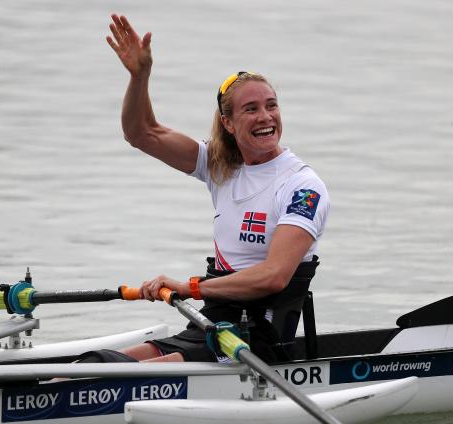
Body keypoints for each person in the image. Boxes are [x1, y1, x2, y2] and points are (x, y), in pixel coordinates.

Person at [104, 14, 329, 364]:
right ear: (228, 122)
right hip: (212, 327)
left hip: (258, 340)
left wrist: (189, 287)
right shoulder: (219, 165)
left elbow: (273, 277)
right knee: (95, 366)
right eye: (251, 109)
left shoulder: (302, 187)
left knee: (113, 379)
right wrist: (139, 76)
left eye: (271, 105)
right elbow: (141, 134)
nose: (266, 117)